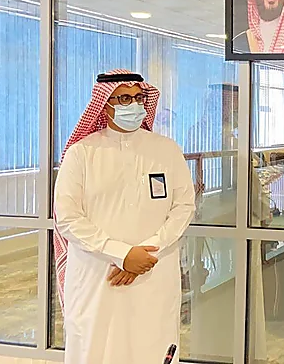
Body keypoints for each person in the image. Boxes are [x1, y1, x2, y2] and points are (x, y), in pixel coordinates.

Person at [53, 70, 196, 364]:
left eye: (138, 97)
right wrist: (121, 255)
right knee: (96, 349)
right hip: (98, 274)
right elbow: (67, 217)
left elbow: (184, 207)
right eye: (124, 99)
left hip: (153, 272)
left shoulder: (166, 150)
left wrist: (145, 254)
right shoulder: (81, 153)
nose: (134, 105)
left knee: (151, 345)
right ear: (105, 104)